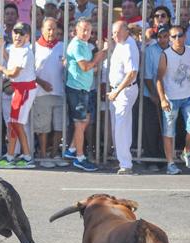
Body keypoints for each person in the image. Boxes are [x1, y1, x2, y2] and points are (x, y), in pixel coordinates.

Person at [156, 25, 190, 174]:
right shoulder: (165, 55)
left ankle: (186, 151)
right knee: (169, 132)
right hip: (171, 98)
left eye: (180, 35)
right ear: (170, 39)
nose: (177, 39)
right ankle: (170, 163)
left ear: (185, 36)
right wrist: (163, 99)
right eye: (173, 36)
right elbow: (158, 78)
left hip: (188, 96)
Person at [64, 17, 107, 171]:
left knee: (86, 119)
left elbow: (88, 67)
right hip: (77, 89)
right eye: (83, 29)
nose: (86, 32)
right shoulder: (76, 45)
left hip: (83, 89)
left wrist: (94, 63)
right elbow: (84, 66)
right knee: (80, 123)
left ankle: (72, 149)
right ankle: (79, 157)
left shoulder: (84, 45)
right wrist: (99, 57)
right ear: (76, 30)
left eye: (88, 30)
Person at [0, 22, 36, 169]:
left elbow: (13, 72)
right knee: (13, 123)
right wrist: (3, 48)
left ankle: (26, 156)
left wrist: (0, 68)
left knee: (16, 124)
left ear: (27, 36)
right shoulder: (16, 49)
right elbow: (11, 60)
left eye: (21, 33)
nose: (17, 36)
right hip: (18, 89)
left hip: (24, 90)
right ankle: (11, 156)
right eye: (16, 32)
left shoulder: (25, 51)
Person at [33, 17, 67, 168]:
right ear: (42, 30)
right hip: (41, 94)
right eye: (48, 28)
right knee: (43, 127)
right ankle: (42, 155)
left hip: (60, 93)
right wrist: (41, 83)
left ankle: (54, 155)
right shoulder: (34, 47)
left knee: (59, 126)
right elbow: (29, 72)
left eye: (54, 28)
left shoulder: (62, 46)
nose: (51, 32)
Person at [108, 20, 139, 175]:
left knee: (121, 127)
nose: (115, 35)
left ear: (126, 31)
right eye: (113, 32)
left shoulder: (128, 46)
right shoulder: (121, 44)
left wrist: (117, 92)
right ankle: (123, 160)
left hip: (124, 91)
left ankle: (126, 163)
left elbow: (132, 73)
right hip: (119, 91)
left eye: (118, 32)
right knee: (121, 126)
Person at [142, 24, 169, 170]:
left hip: (169, 96)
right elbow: (146, 76)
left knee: (166, 129)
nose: (163, 39)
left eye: (166, 36)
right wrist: (154, 95)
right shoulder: (150, 51)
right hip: (151, 94)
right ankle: (151, 160)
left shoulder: (173, 50)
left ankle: (164, 159)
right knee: (151, 129)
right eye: (160, 36)